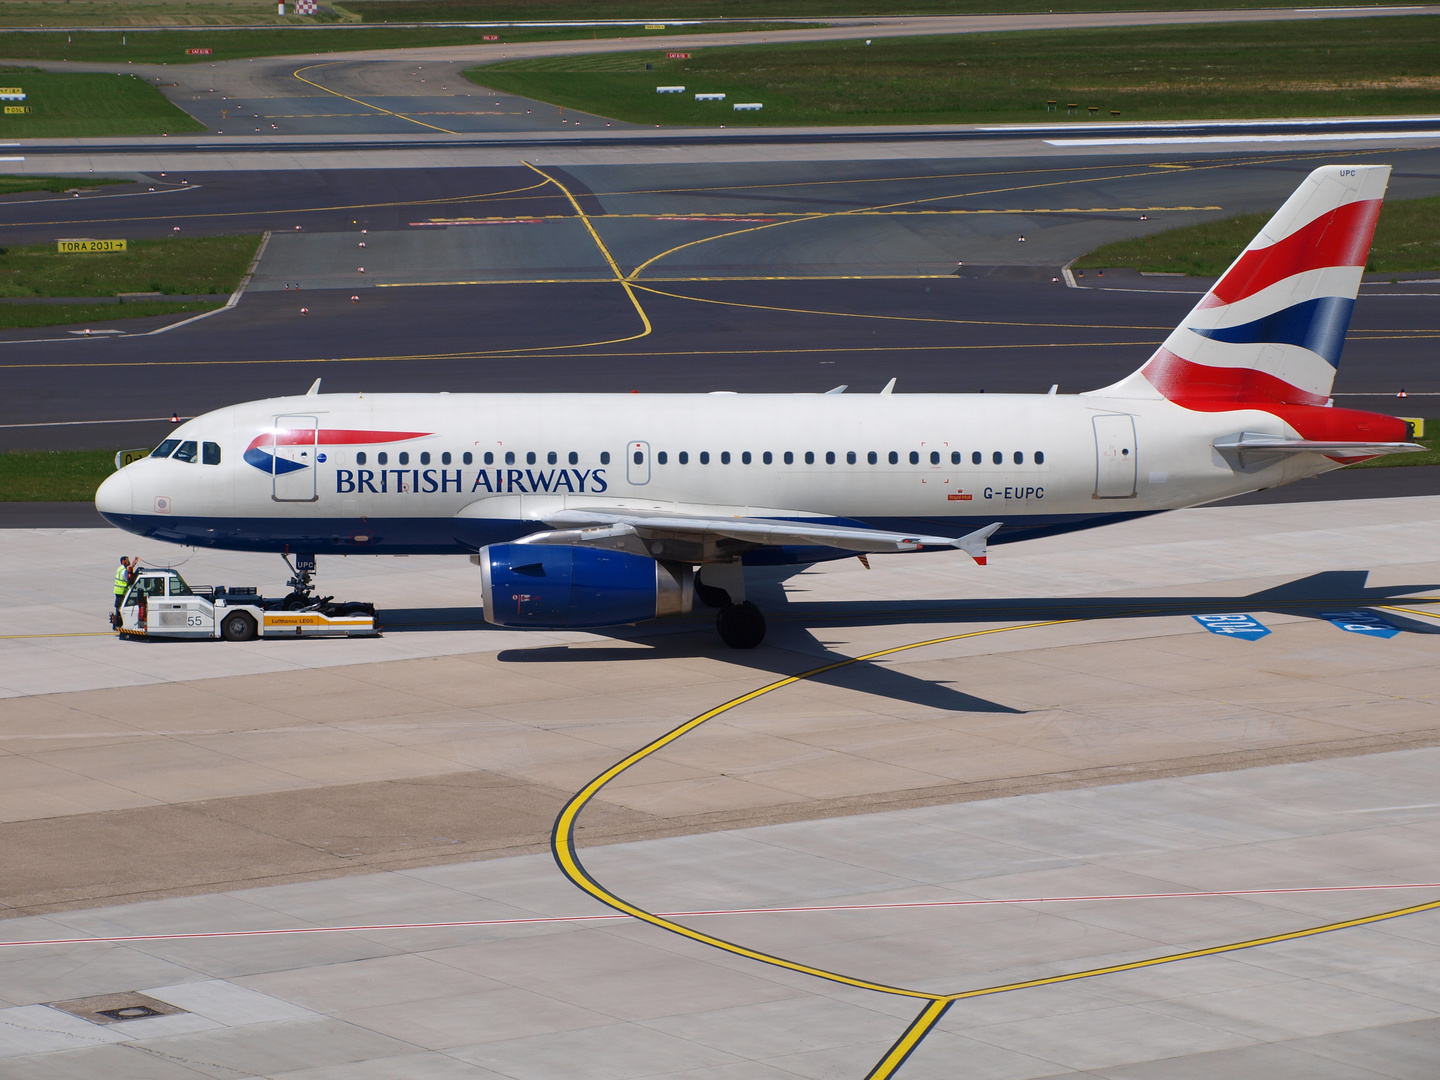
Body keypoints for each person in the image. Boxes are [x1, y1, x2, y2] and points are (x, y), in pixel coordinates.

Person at [112, 556, 137, 626]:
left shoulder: (120, 569)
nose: (128, 561)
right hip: (122, 591)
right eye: (127, 560)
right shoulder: (124, 570)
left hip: (118, 590)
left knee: (118, 607)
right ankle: (119, 622)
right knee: (121, 607)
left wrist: (133, 565)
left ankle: (118, 621)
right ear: (123, 561)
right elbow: (128, 580)